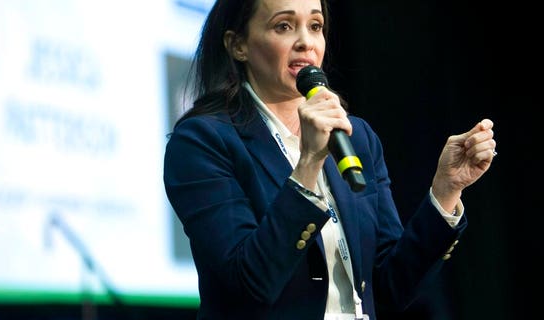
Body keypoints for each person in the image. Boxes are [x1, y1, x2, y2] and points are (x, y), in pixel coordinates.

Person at [162, 0, 497, 319]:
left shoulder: (356, 137)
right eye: (284, 26)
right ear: (238, 45)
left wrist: (445, 192)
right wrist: (308, 163)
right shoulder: (203, 141)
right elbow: (249, 282)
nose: (306, 42)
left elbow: (390, 287)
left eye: (316, 25)